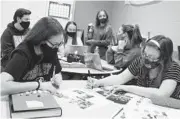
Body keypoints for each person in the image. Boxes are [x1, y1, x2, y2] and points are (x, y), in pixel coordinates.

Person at [87, 35, 180, 99]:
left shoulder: (172, 67)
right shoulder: (140, 61)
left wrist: (128, 88)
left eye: (152, 57)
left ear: (164, 58)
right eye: (146, 54)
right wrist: (99, 82)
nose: (147, 59)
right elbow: (121, 77)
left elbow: (162, 94)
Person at [1, 17, 64, 96]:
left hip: (41, 97)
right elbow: (2, 86)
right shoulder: (23, 53)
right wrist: (39, 85)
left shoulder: (51, 49)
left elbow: (58, 72)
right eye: (54, 44)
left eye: (60, 44)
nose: (57, 48)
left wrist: (58, 77)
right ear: (41, 39)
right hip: (21, 98)